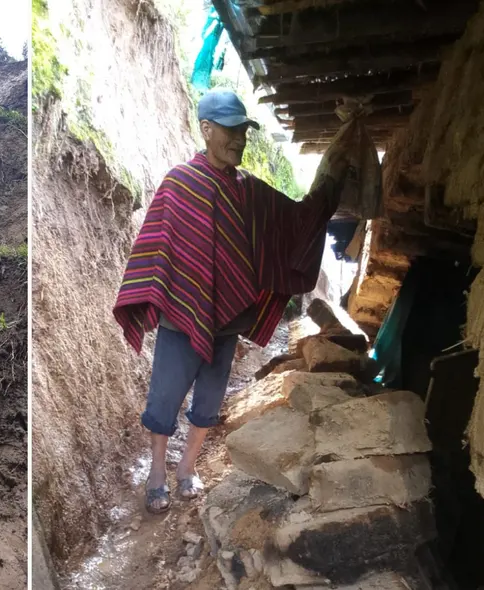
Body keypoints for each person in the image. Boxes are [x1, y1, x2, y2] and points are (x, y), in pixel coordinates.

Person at [112, 89, 349, 514]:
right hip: (181, 318)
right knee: (164, 398)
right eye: (230, 130)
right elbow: (156, 250)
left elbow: (295, 221)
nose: (239, 139)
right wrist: (174, 295)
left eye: (243, 131)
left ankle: (187, 468)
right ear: (206, 129)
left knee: (209, 401)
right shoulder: (179, 184)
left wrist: (332, 179)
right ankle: (157, 473)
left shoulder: (251, 191)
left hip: (229, 320)